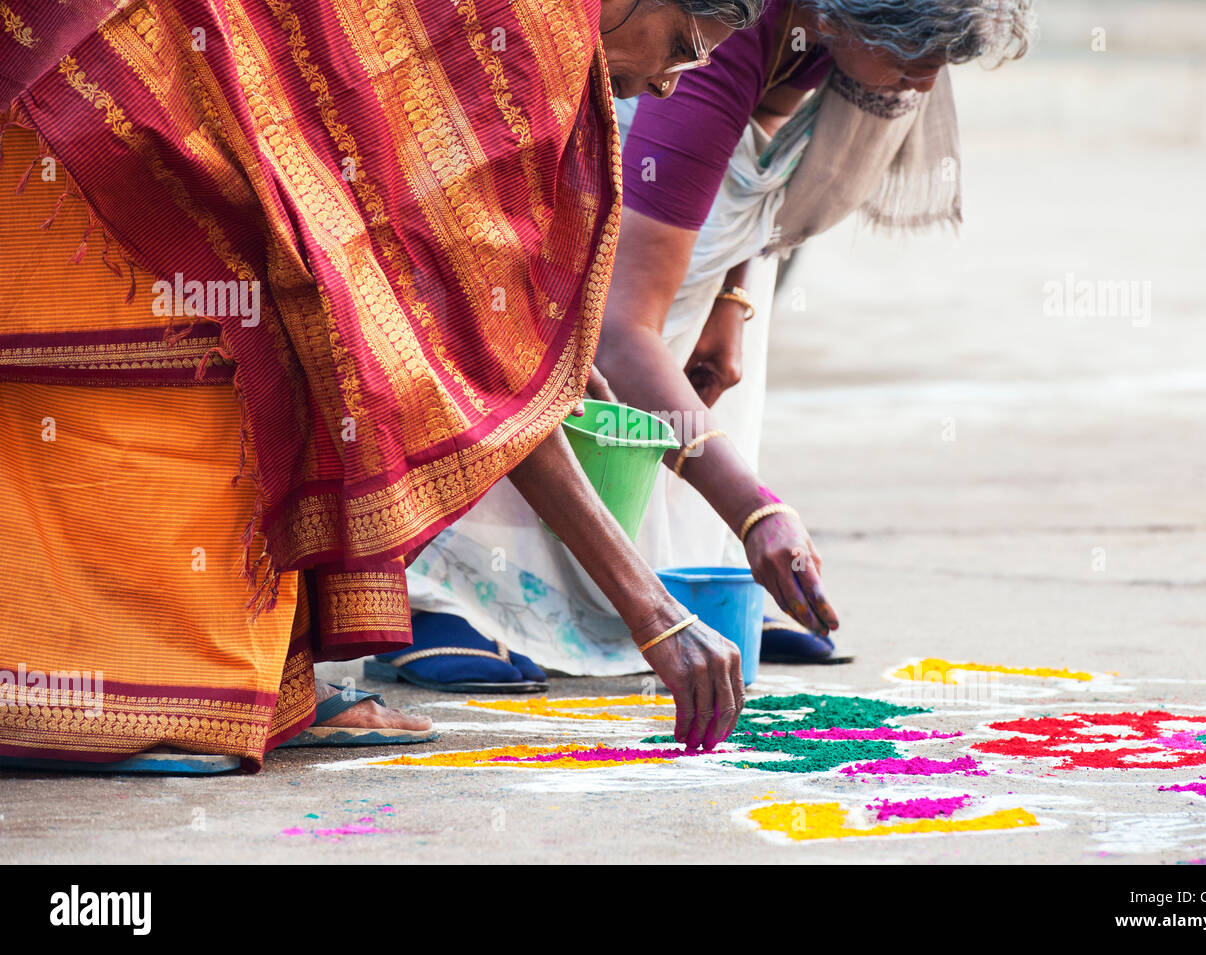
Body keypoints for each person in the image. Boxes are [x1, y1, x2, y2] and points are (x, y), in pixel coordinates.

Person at [0, 0, 761, 773]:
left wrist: (529, 360)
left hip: (114, 100)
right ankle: (128, 695)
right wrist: (654, 610)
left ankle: (226, 683)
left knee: (337, 324)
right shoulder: (530, 39)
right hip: (105, 127)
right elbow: (453, 346)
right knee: (299, 341)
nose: (672, 85)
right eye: (686, 44)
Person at [402, 0, 1034, 679]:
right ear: (849, 17)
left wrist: (730, 296)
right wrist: (755, 510)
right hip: (609, 200)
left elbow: (751, 157)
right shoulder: (699, 50)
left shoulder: (814, 27)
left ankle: (684, 578)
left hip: (688, 205)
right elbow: (616, 333)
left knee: (699, 372)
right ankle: (453, 598)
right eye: (914, 58)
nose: (923, 84)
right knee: (553, 351)